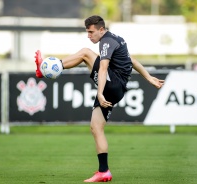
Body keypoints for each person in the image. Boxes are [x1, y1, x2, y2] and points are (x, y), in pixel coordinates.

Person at [34, 15, 164, 182]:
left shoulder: (106, 42)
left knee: (85, 53)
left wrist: (100, 93)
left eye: (91, 32)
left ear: (101, 30)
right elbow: (132, 61)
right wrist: (148, 77)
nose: (89, 35)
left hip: (112, 85)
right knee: (96, 127)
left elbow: (103, 69)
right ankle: (104, 171)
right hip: (116, 88)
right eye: (87, 32)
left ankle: (45, 70)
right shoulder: (116, 39)